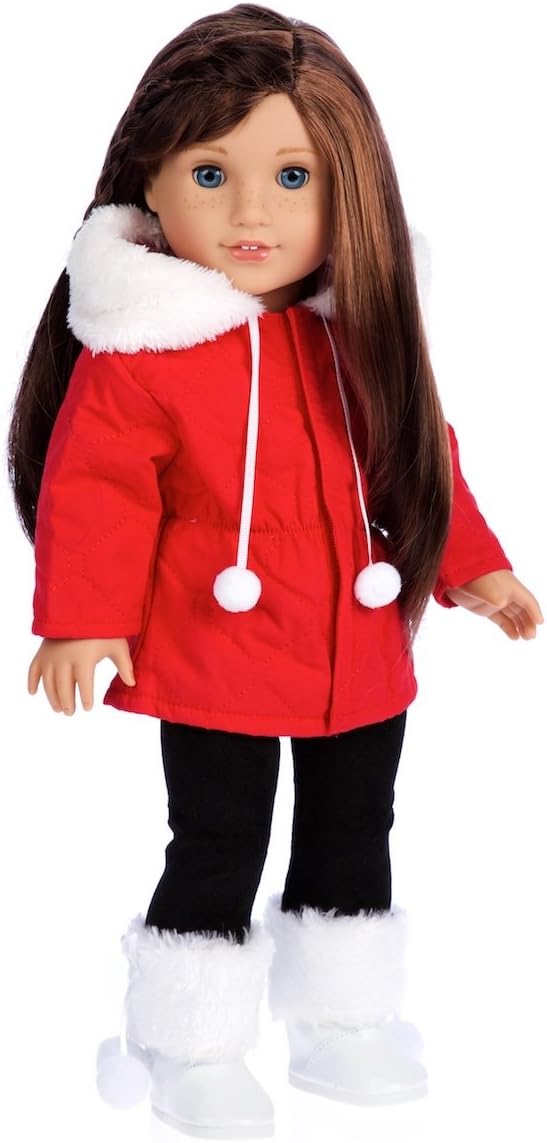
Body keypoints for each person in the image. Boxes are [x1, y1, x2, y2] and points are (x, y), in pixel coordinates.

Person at [7, 3, 543, 1137]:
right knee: (219, 838)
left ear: (350, 186)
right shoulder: (145, 350)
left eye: (293, 178)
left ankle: (340, 1019)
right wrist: (84, 617)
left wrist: (471, 567)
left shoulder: (363, 329)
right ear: (149, 181)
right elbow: (97, 490)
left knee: (356, 826)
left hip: (358, 640)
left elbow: (420, 459)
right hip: (216, 645)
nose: (252, 213)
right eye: (211, 175)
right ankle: (188, 1040)